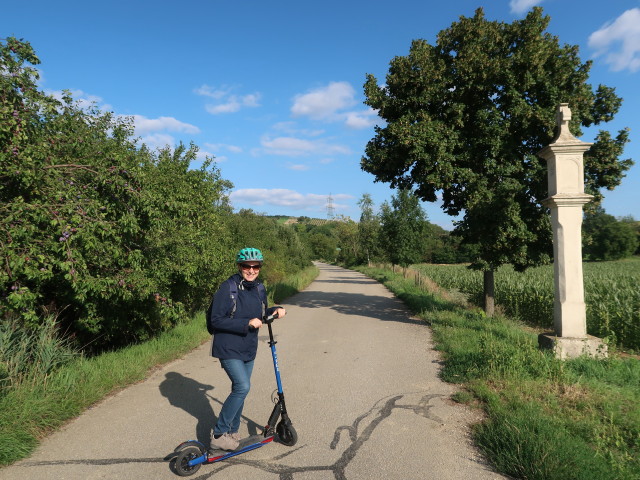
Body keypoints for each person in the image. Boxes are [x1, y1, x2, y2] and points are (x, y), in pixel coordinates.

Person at [208, 247, 286, 451]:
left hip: (248, 348)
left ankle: (232, 431)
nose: (251, 270)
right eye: (246, 266)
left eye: (256, 266)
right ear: (239, 266)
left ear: (260, 267)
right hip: (228, 347)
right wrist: (246, 324)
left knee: (239, 390)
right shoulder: (228, 288)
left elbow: (259, 313)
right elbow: (216, 320)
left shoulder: (259, 288)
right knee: (242, 387)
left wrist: (275, 310)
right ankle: (218, 434)